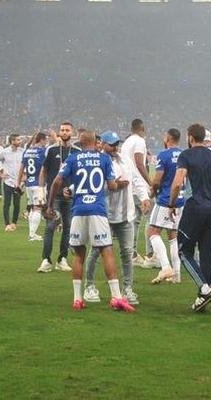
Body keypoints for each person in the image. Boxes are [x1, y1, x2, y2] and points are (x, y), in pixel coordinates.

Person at [45, 130, 136, 313]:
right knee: (106, 251)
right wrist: (119, 184)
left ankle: (77, 299)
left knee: (79, 254)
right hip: (97, 210)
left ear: (80, 143)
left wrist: (49, 205)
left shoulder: (72, 159)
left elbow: (57, 181)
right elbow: (111, 185)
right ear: (96, 143)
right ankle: (116, 297)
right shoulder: (104, 159)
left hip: (78, 210)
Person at [168, 124, 211, 312]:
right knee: (207, 255)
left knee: (184, 251)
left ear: (190, 137)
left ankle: (205, 289)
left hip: (195, 209)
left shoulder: (186, 156)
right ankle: (202, 298)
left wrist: (171, 204)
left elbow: (177, 183)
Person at [82, 132, 138, 304]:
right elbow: (94, 186)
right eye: (112, 144)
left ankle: (127, 289)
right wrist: (114, 185)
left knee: (127, 253)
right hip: (104, 214)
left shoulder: (125, 160)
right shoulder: (97, 162)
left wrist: (144, 197)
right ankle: (89, 286)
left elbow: (135, 180)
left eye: (116, 144)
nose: (115, 147)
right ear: (102, 144)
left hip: (125, 215)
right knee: (95, 251)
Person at [147, 128, 185, 284]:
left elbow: (157, 179)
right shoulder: (183, 154)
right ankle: (177, 274)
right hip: (180, 199)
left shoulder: (163, 155)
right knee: (173, 236)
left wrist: (152, 192)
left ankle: (165, 267)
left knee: (153, 232)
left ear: (168, 138)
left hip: (165, 199)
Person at [39, 122, 79, 271]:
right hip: (53, 195)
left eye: (67, 130)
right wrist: (40, 190)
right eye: (62, 130)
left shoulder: (77, 151)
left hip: (70, 197)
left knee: (68, 228)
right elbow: (44, 171)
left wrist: (74, 190)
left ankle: (62, 259)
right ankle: (46, 260)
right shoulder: (51, 149)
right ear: (59, 132)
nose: (64, 132)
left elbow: (79, 175)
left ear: (72, 132)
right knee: (50, 226)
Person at [120, 119, 153, 267]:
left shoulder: (127, 142)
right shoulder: (139, 141)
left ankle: (132, 253)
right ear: (142, 128)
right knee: (151, 218)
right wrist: (149, 182)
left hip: (129, 185)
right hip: (138, 187)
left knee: (134, 220)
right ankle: (150, 254)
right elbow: (139, 163)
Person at [18, 131, 49, 241]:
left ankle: (32, 234)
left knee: (32, 208)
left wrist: (18, 183)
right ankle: (32, 235)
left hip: (29, 183)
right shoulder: (43, 152)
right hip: (38, 184)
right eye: (45, 140)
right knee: (38, 208)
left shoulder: (27, 151)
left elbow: (21, 168)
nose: (46, 142)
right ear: (42, 140)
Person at [0, 133, 26, 231]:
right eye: (17, 140)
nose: (19, 141)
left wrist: (24, 175)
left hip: (18, 182)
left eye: (19, 139)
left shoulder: (23, 151)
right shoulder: (4, 152)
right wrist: (0, 173)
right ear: (12, 141)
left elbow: (25, 164)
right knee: (7, 204)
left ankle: (14, 223)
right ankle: (7, 223)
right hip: (8, 181)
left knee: (17, 204)